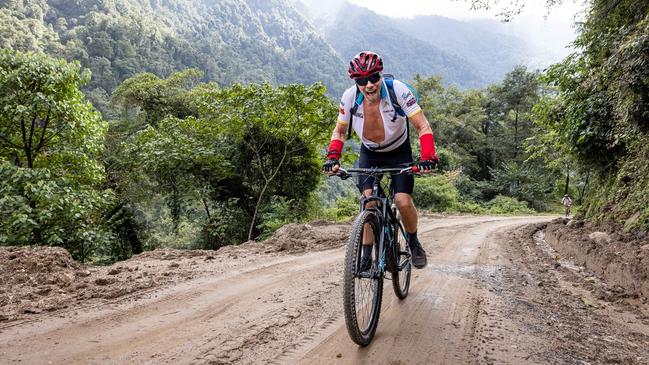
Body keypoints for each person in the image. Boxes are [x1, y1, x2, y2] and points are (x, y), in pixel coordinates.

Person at [323, 51, 439, 270]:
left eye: (373, 77)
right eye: (361, 80)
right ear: (355, 83)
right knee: (370, 202)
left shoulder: (398, 91)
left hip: (398, 151)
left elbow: (422, 126)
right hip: (370, 154)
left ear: (380, 75)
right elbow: (339, 131)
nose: (368, 85)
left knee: (403, 201)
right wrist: (332, 157)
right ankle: (366, 256)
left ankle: (413, 242)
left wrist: (427, 157)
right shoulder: (349, 98)